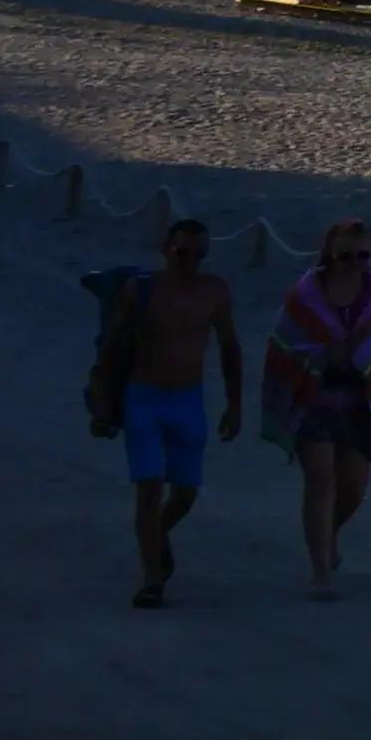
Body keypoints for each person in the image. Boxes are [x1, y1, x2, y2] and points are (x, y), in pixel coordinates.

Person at [263, 218, 371, 597]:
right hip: (314, 395)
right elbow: (284, 344)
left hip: (361, 400)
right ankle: (320, 573)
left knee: (353, 487)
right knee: (320, 479)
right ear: (330, 253)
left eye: (363, 256)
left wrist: (362, 356)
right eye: (346, 256)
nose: (354, 264)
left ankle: (328, 535)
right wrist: (321, 355)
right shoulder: (305, 294)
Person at [99, 216, 245, 607]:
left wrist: (235, 404)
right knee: (149, 488)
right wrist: (103, 398)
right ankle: (152, 579)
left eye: (199, 254)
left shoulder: (214, 291)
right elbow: (113, 345)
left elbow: (230, 348)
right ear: (166, 250)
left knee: (185, 492)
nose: (190, 261)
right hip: (143, 397)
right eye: (182, 252)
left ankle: (157, 533)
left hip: (187, 399)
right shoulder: (142, 290)